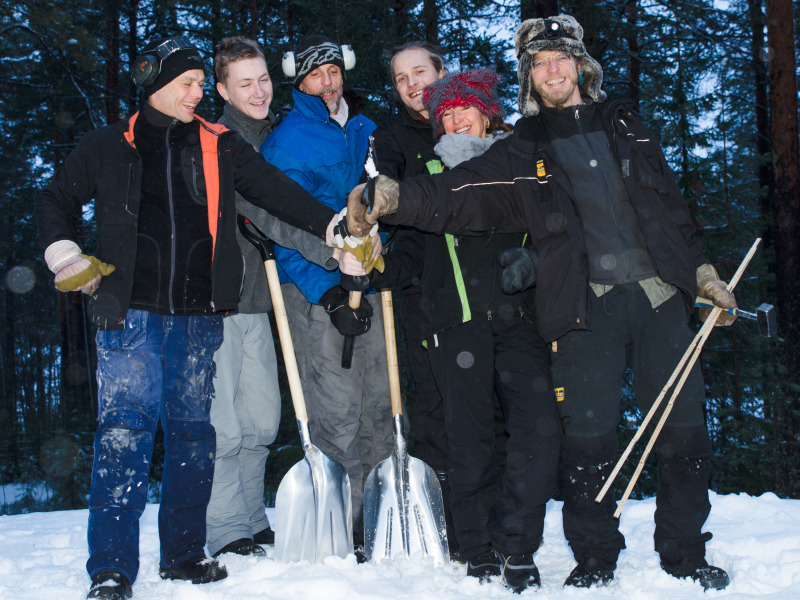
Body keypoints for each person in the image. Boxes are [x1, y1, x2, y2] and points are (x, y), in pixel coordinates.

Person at [344, 15, 737, 591]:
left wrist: (702, 273)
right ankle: (595, 554)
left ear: (580, 65)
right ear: (530, 78)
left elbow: (670, 207)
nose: (552, 70)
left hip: (660, 297)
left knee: (683, 432)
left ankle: (684, 551)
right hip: (585, 305)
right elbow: (460, 193)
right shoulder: (524, 145)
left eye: (561, 59)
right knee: (588, 439)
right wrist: (393, 196)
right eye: (539, 63)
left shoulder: (625, 122)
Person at [36, 35, 337, 600]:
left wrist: (334, 226)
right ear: (156, 87)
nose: (200, 93)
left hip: (199, 317)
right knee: (123, 434)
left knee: (195, 437)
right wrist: (64, 254)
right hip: (128, 317)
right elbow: (53, 198)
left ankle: (182, 554)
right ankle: (110, 567)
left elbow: (277, 193)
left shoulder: (219, 144)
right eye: (189, 84)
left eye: (202, 83)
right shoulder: (109, 145)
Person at [341, 69, 560, 592]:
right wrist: (368, 270)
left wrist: (532, 259)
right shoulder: (430, 177)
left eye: (466, 109)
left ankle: (518, 542)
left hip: (519, 320)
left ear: (488, 113)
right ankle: (476, 546)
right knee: (469, 440)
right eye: (446, 113)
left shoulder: (520, 164)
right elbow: (412, 255)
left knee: (537, 430)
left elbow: (560, 232)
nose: (456, 118)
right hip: (455, 326)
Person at [205, 37, 341, 559]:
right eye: (245, 83)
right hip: (216, 301)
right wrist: (333, 247)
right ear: (222, 90)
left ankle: (249, 516)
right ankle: (224, 528)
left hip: (261, 300)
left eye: (263, 79)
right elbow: (271, 213)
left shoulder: (273, 138)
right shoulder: (219, 142)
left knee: (261, 421)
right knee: (226, 425)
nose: (259, 91)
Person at [260, 34, 393, 553]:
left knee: (381, 404)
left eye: (334, 71)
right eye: (316, 75)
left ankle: (383, 519)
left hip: (370, 284)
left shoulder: (364, 129)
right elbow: (283, 226)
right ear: (299, 81)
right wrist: (327, 292)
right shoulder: (287, 142)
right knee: (337, 411)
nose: (328, 82)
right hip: (317, 293)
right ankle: (345, 528)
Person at [366, 41, 457, 549]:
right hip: (425, 286)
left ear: (442, 72)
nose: (412, 84)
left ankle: (500, 519)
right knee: (436, 407)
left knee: (497, 407)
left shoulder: (474, 121)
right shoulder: (393, 137)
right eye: (401, 78)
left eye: (420, 71)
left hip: (492, 290)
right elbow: (383, 187)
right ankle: (446, 523)